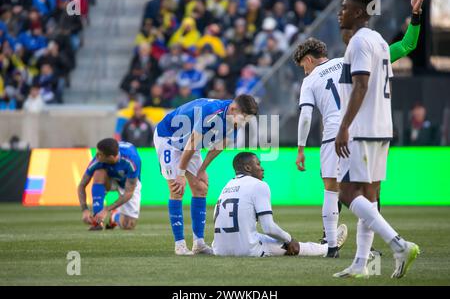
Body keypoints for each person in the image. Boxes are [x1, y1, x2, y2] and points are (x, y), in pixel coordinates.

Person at [334, 0, 419, 279]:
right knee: (369, 198)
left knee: (345, 192)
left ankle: (399, 244)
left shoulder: (359, 43)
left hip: (362, 129)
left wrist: (344, 126)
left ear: (359, 12)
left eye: (344, 7)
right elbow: (386, 85)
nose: (340, 12)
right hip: (381, 128)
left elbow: (361, 86)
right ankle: (361, 264)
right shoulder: (380, 41)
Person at [153, 94, 258, 255]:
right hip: (169, 138)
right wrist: (180, 174)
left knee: (201, 187)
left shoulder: (234, 120)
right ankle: (180, 245)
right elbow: (192, 143)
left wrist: (202, 169)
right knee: (176, 188)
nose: (244, 122)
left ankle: (199, 243)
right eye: (243, 118)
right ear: (233, 109)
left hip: (189, 143)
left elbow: (219, 146)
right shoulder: (210, 114)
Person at [212, 152, 348, 257]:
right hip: (247, 249)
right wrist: (290, 240)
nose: (262, 169)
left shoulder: (226, 186)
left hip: (219, 249)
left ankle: (326, 244)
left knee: (262, 237)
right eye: (258, 164)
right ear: (248, 167)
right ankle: (328, 246)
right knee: (292, 245)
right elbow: (269, 228)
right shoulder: (259, 185)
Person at [293, 38, 343, 258]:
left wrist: (301, 148)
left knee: (331, 190)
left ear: (309, 59)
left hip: (334, 134)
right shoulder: (346, 62)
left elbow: (305, 116)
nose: (304, 71)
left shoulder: (311, 80)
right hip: (360, 131)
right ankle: (368, 247)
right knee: (364, 189)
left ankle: (331, 247)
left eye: (303, 66)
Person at [77, 138, 142, 231]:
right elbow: (82, 185)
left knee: (128, 225)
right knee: (98, 172)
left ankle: (114, 216)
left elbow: (129, 193)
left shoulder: (132, 160)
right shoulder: (97, 160)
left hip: (128, 183)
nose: (96, 156)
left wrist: (107, 209)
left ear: (111, 157)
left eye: (100, 154)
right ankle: (97, 220)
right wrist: (85, 210)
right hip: (109, 178)